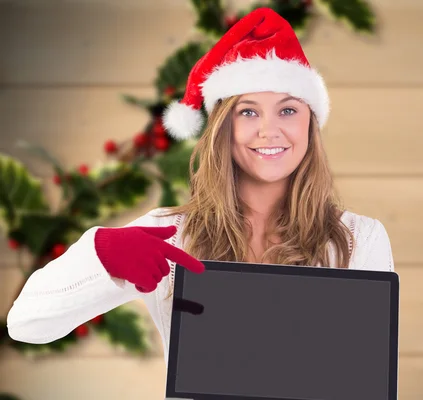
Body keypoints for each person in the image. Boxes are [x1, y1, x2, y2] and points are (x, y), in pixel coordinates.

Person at [6, 7, 395, 367]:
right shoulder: (171, 235)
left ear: (310, 123)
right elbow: (26, 323)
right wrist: (102, 255)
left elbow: (367, 377)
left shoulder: (359, 240)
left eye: (289, 109)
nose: (269, 130)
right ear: (222, 127)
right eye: (248, 111)